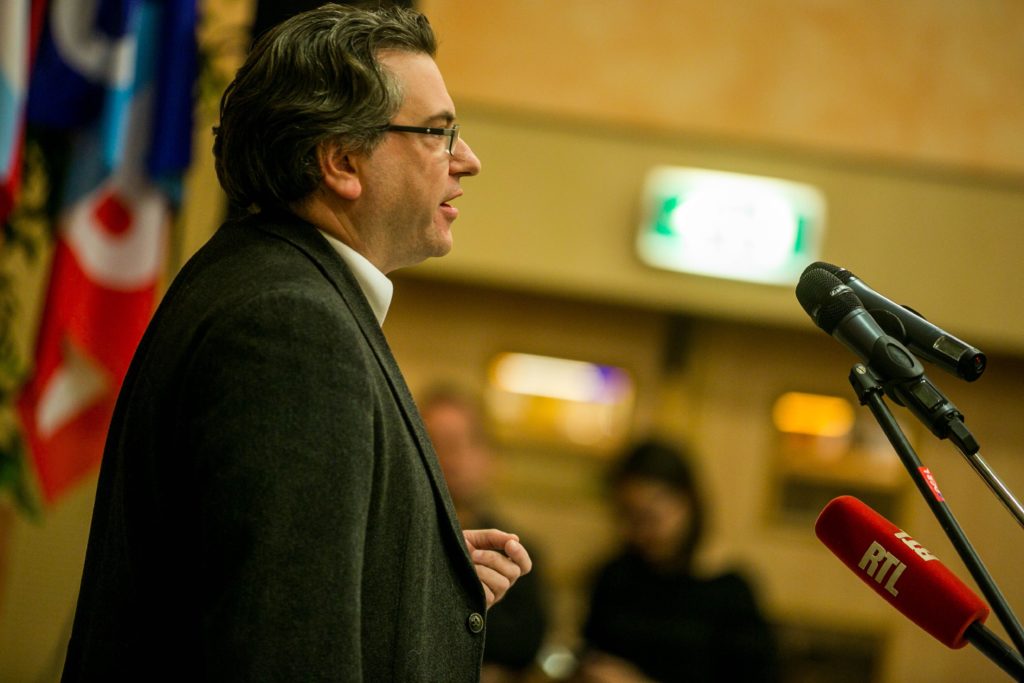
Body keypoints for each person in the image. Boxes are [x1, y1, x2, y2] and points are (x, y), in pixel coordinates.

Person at [61, 5, 531, 681]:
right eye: (437, 133)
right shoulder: (291, 327)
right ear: (341, 161)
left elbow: (275, 582)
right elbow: (284, 647)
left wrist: (425, 577)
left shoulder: (263, 279)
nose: (468, 160)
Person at [577, 439, 776, 683]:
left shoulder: (729, 591)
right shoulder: (614, 576)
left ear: (686, 504)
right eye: (627, 517)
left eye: (649, 517)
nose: (638, 532)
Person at [420, 385, 549, 682]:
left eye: (455, 445)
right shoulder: (396, 541)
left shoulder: (516, 550)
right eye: (431, 444)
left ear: (487, 456)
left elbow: (527, 644)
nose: (444, 460)